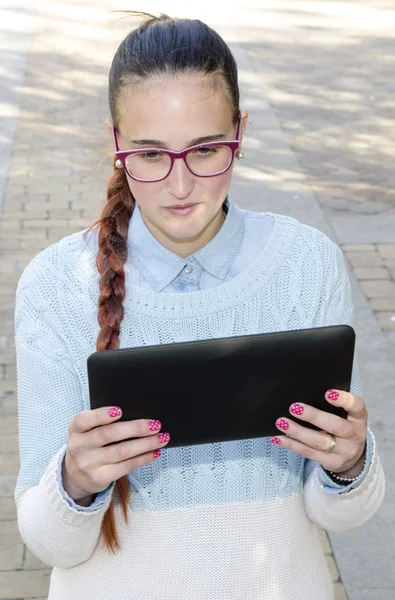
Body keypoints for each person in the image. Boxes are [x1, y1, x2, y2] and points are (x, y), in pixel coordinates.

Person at [14, 12, 384, 600]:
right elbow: (52, 544)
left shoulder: (306, 264)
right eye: (151, 154)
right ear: (117, 143)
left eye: (207, 150)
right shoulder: (57, 284)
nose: (180, 187)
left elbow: (338, 514)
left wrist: (350, 463)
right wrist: (74, 481)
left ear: (242, 130)